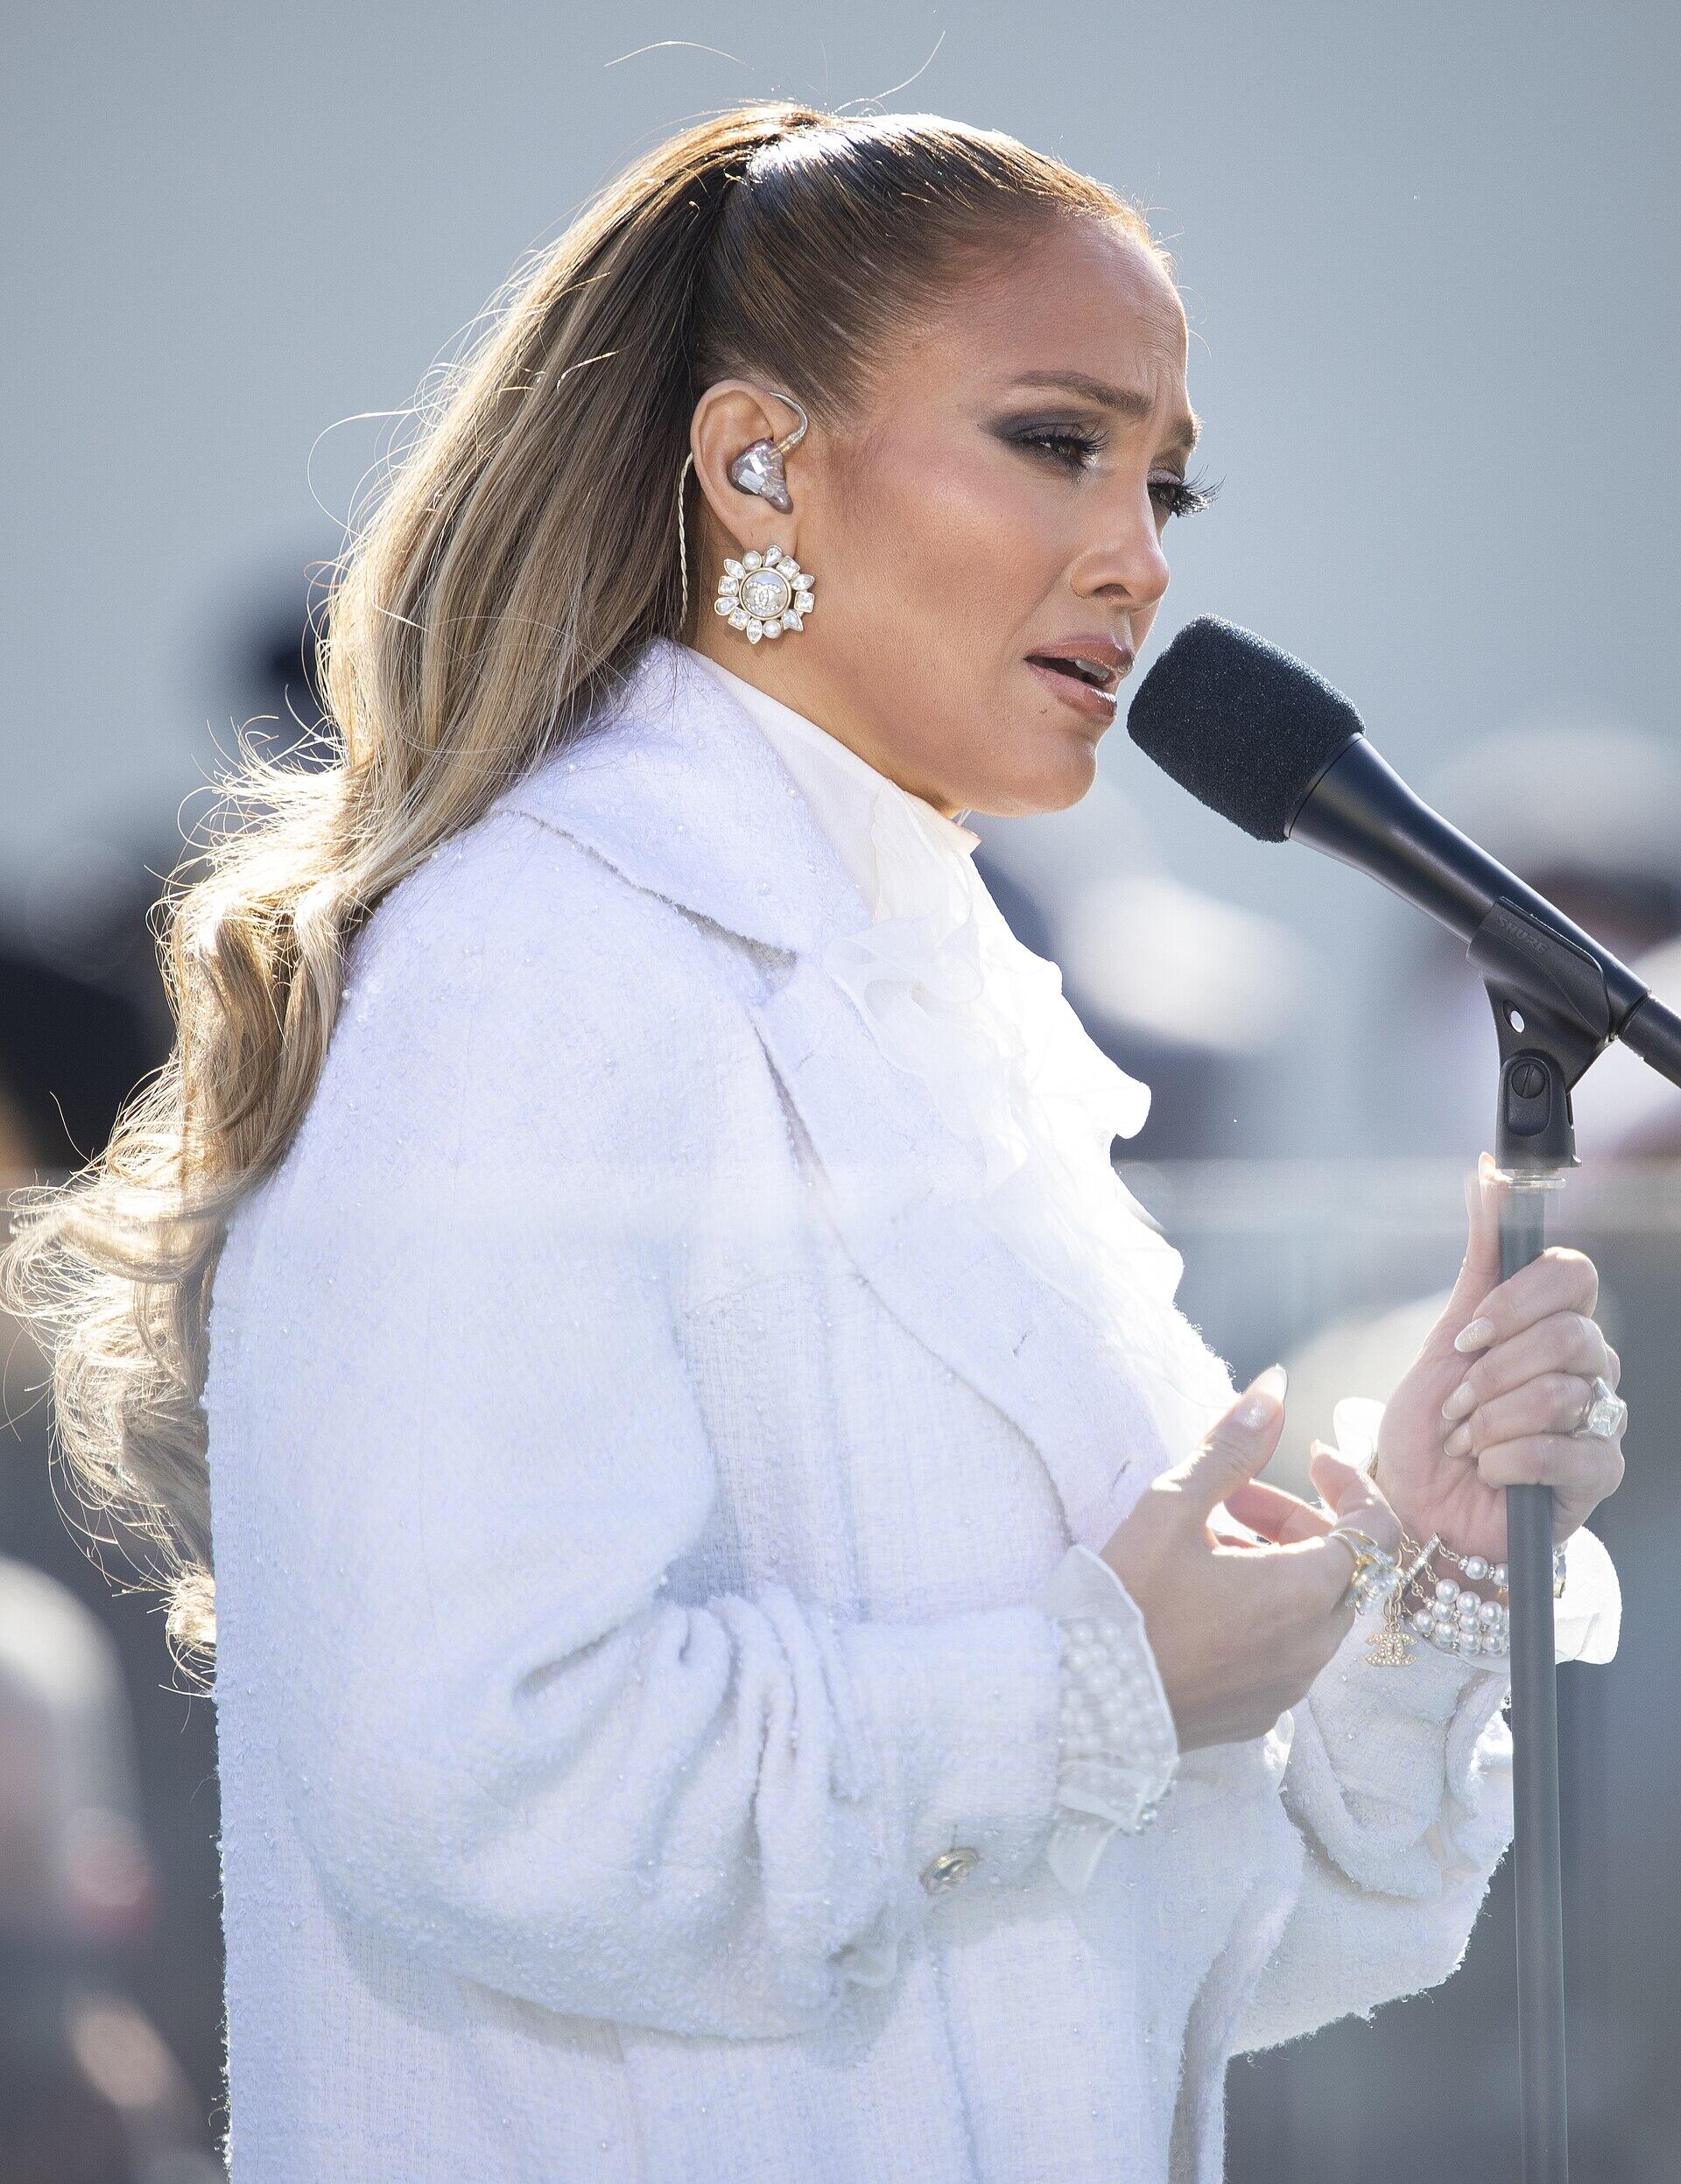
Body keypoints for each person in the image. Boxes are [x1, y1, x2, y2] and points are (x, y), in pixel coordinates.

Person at [0, 103, 1627, 2183]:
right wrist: (1099, 1685)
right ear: (760, 461)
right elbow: (474, 1783)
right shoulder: (540, 967)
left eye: (1167, 481)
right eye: (1059, 442)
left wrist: (1401, 1573)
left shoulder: (959, 1015)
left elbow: (1128, 1950)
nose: (1138, 553)